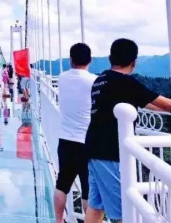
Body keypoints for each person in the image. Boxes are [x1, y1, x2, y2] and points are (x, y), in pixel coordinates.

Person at [84, 39, 171, 223]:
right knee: (125, 212)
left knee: (96, 207)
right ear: (134, 62)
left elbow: (146, 101)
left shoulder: (102, 79)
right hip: (110, 153)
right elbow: (166, 105)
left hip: (93, 149)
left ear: (110, 58)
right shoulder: (125, 82)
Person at [54, 43, 96, 223]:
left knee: (62, 183)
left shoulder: (62, 78)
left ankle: (58, 220)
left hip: (65, 140)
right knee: (88, 189)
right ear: (90, 60)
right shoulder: (94, 81)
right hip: (87, 141)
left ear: (71, 60)